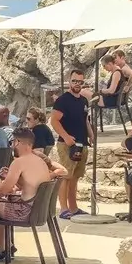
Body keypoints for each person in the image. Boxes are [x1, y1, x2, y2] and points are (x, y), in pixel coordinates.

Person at [0, 127, 63, 263]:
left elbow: (4, 189)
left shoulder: (18, 162)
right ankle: (1, 249)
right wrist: (15, 180)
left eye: (12, 142)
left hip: (24, 212)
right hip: (37, 210)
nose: (11, 145)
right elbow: (30, 185)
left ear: (18, 142)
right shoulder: (40, 161)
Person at [50, 73, 93, 219]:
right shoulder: (63, 101)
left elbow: (85, 120)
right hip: (67, 144)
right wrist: (67, 137)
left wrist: (91, 135)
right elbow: (54, 120)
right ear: (69, 82)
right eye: (74, 81)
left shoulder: (83, 101)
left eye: (80, 82)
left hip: (82, 143)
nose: (77, 84)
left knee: (75, 177)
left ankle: (73, 207)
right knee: (66, 176)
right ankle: (63, 208)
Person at [98, 51, 132, 124]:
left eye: (115, 57)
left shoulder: (124, 69)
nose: (114, 59)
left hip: (115, 99)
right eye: (113, 57)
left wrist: (128, 86)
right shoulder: (121, 68)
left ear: (122, 57)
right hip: (119, 98)